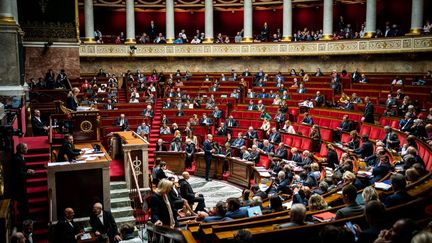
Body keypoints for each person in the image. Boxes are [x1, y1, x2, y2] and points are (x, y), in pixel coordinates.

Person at [11, 143, 35, 220]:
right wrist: (28, 173)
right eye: (25, 148)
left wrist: (27, 170)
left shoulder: (20, 157)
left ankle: (26, 218)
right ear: (21, 149)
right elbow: (18, 173)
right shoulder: (17, 159)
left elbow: (22, 169)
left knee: (24, 203)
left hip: (21, 184)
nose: (27, 149)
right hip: (19, 185)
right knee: (23, 204)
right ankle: (25, 220)